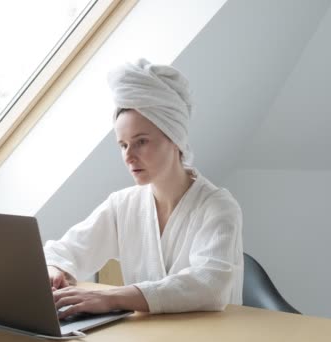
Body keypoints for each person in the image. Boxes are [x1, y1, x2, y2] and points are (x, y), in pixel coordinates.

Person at [44, 59, 243, 319]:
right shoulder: (123, 204)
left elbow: (209, 284)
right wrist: (54, 269)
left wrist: (111, 297)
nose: (129, 156)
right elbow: (64, 250)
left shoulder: (218, 206)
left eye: (141, 142)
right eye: (123, 145)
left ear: (175, 138)